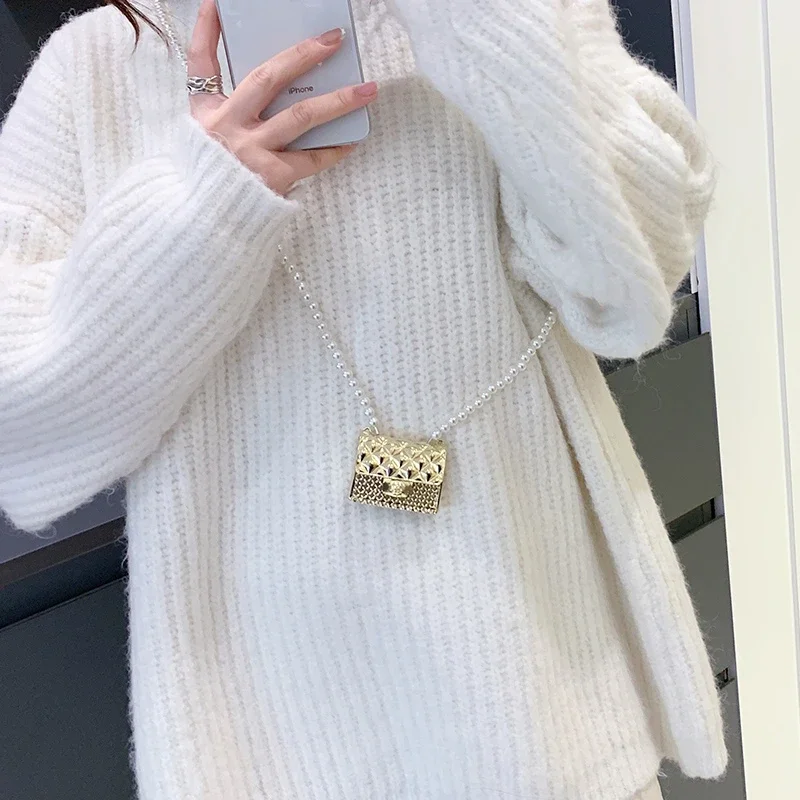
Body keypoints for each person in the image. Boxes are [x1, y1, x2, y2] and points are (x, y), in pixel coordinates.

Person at [0, 0, 725, 798]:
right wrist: (201, 199)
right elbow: (17, 426)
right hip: (279, 746)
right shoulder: (91, 72)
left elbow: (634, 284)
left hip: (547, 707)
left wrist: (486, 27)